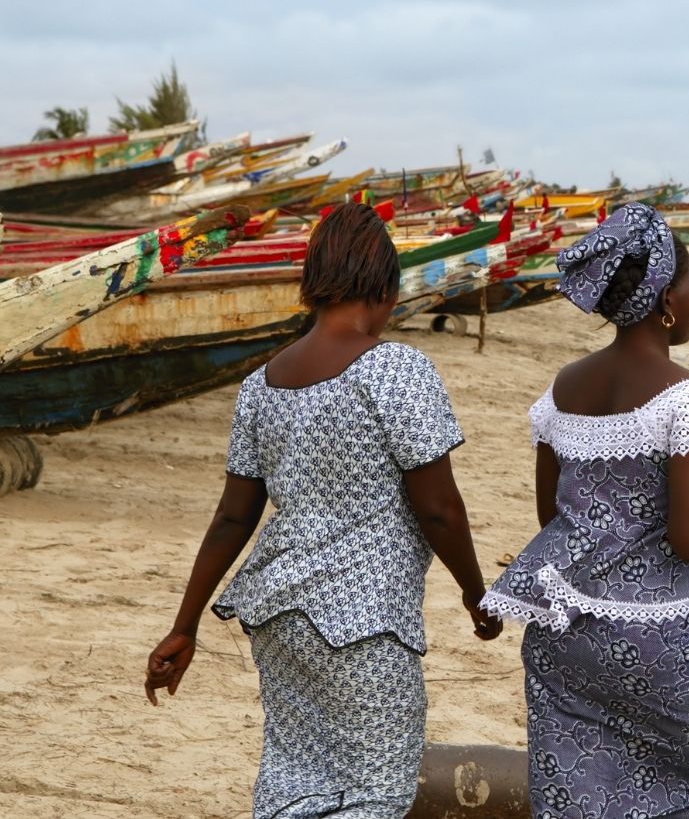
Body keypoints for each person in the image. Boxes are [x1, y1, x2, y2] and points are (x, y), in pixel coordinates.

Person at [143, 203, 502, 818]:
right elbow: (439, 508)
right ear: (385, 287)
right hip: (365, 625)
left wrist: (186, 624)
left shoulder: (262, 384)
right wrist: (475, 594)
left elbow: (233, 518)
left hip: (279, 618)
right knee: (376, 795)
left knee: (295, 783)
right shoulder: (396, 370)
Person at [481, 204, 689, 819]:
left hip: (564, 635)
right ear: (667, 299)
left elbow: (557, 517)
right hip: (659, 640)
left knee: (580, 795)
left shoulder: (563, 389)